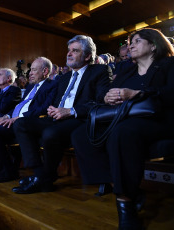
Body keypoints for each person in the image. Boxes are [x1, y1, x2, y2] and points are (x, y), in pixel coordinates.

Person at [71, 28, 174, 230]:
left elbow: (172, 94)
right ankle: (121, 186)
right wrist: (107, 97)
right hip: (124, 118)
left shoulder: (170, 65)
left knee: (122, 133)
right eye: (130, 42)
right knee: (81, 134)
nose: (130, 46)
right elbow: (107, 93)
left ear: (153, 45)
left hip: (160, 119)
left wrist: (138, 93)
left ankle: (125, 202)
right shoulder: (127, 69)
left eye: (137, 41)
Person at [11, 35, 111, 194]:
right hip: (56, 118)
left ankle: (45, 179)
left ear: (87, 56)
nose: (69, 54)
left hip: (79, 118)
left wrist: (71, 111)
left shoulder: (99, 71)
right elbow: (56, 102)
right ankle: (40, 175)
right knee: (21, 123)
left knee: (50, 133)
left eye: (75, 51)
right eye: (69, 50)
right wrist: (53, 109)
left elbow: (101, 101)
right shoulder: (63, 78)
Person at [0, 57, 58, 183]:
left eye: (34, 70)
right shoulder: (30, 87)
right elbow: (20, 106)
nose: (30, 73)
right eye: (31, 70)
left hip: (27, 122)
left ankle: (8, 170)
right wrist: (6, 116)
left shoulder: (52, 85)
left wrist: (19, 118)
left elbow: (44, 108)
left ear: (45, 71)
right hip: (14, 119)